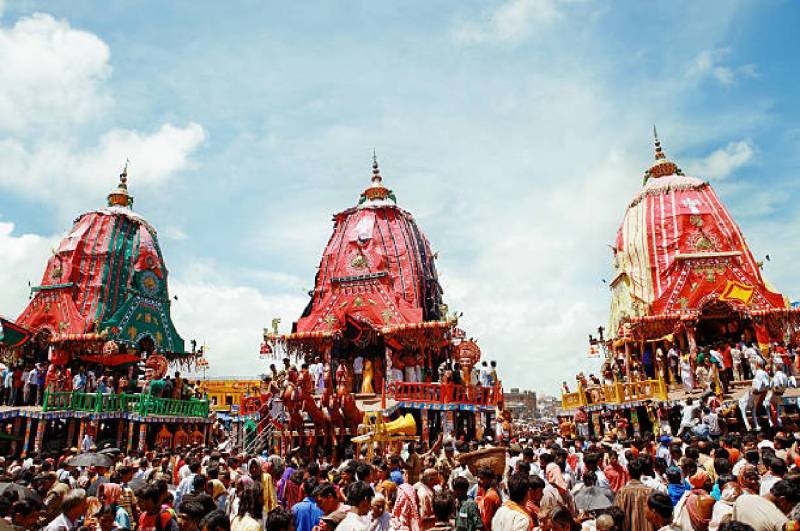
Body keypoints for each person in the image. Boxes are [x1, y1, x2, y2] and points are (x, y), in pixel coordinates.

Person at [613, 458, 653, 531]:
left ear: (628, 473)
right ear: (641, 473)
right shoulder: (650, 491)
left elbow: (617, 515)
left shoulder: (622, 492)